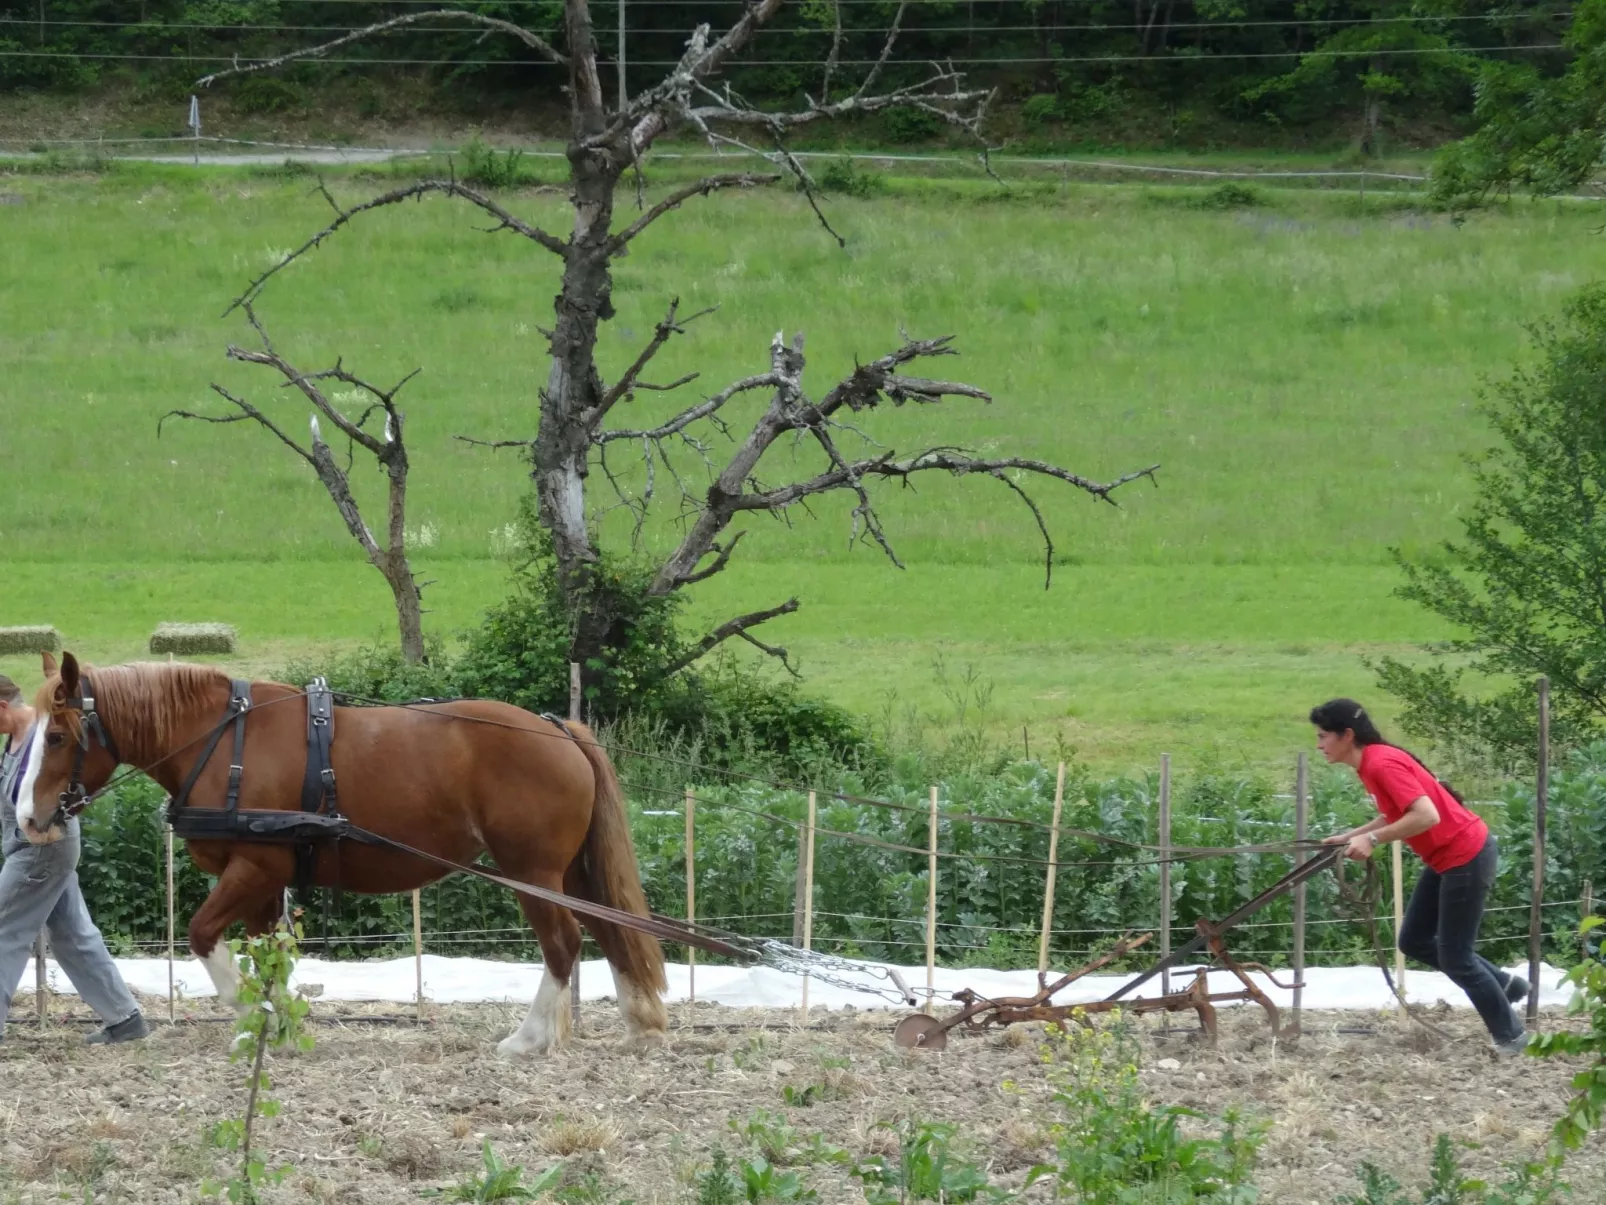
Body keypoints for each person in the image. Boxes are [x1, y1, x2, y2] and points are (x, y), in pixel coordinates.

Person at [1312, 698, 1530, 1053]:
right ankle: (1507, 987)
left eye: (1323, 737)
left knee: (1456, 956)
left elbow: (1427, 816)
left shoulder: (1382, 764)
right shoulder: (1371, 763)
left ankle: (1512, 1037)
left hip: (1466, 854)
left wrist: (1370, 839)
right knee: (1413, 941)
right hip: (1447, 857)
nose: (1319, 745)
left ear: (1347, 735)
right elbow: (1394, 813)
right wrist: (1354, 834)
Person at [0, 672, 147, 1044]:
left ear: (2, 707)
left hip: (42, 846)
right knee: (71, 934)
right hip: (29, 847)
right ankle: (124, 1019)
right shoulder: (15, 739)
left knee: (5, 927)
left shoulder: (45, 738)